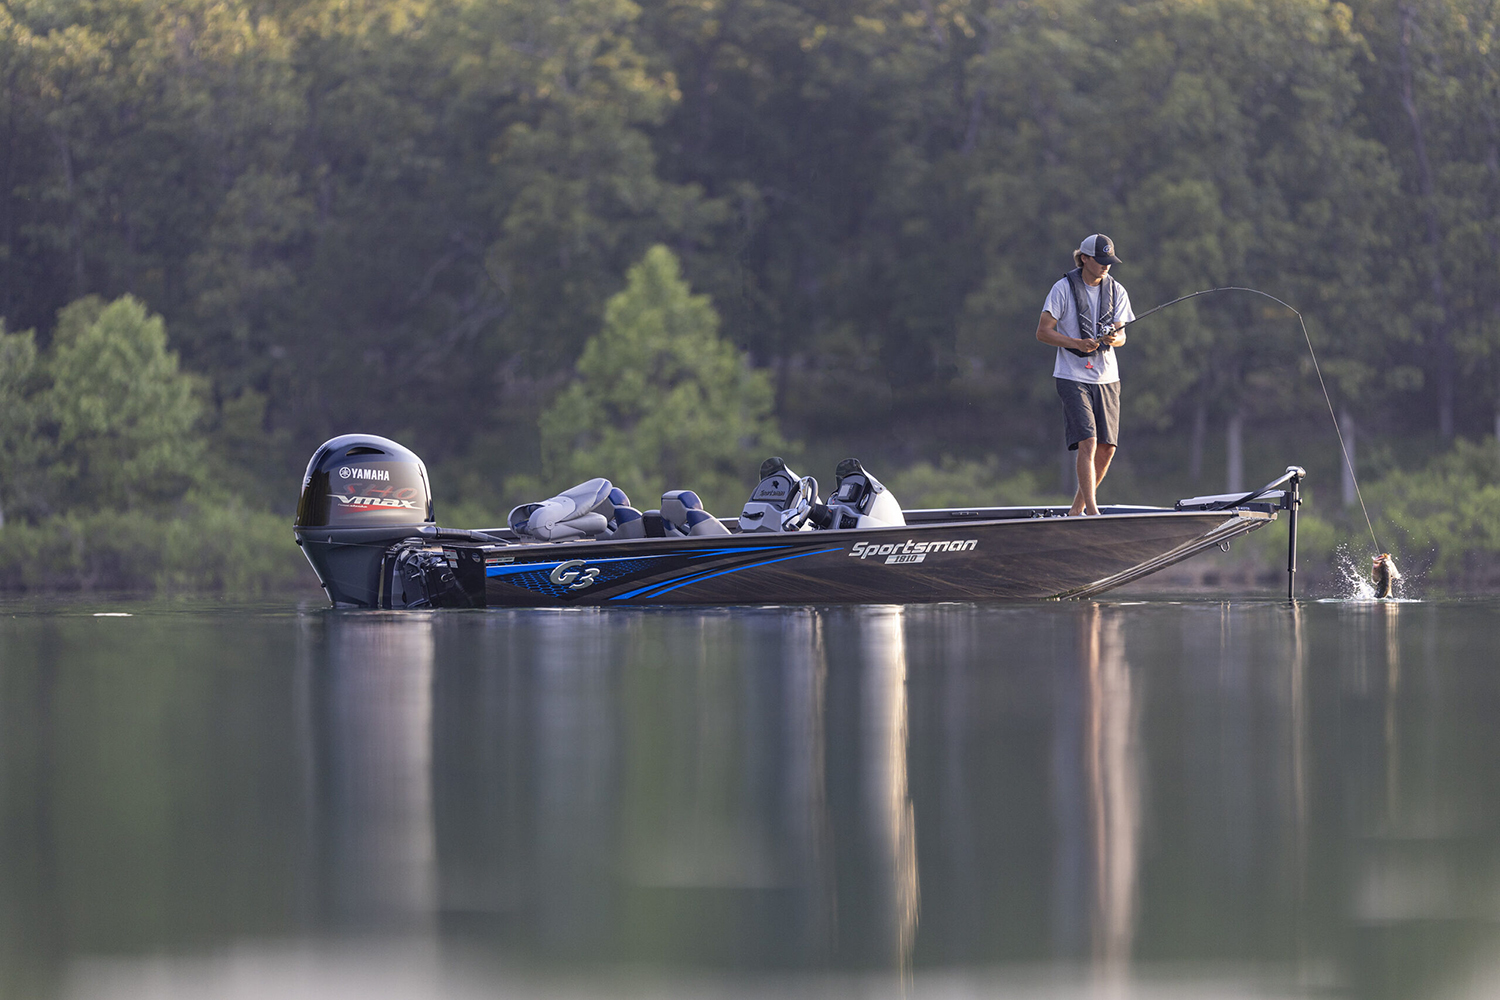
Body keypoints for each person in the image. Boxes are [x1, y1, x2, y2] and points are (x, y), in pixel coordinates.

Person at [1034, 234, 1136, 516]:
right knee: (1088, 441)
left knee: (1107, 448)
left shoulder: (1117, 291)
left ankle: (1075, 512)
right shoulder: (1062, 289)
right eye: (1101, 261)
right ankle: (1092, 512)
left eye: (1110, 262)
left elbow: (1122, 337)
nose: (1106, 267)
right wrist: (1077, 343)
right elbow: (1043, 332)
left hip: (1107, 377)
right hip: (1072, 375)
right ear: (1084, 259)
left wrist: (1112, 338)